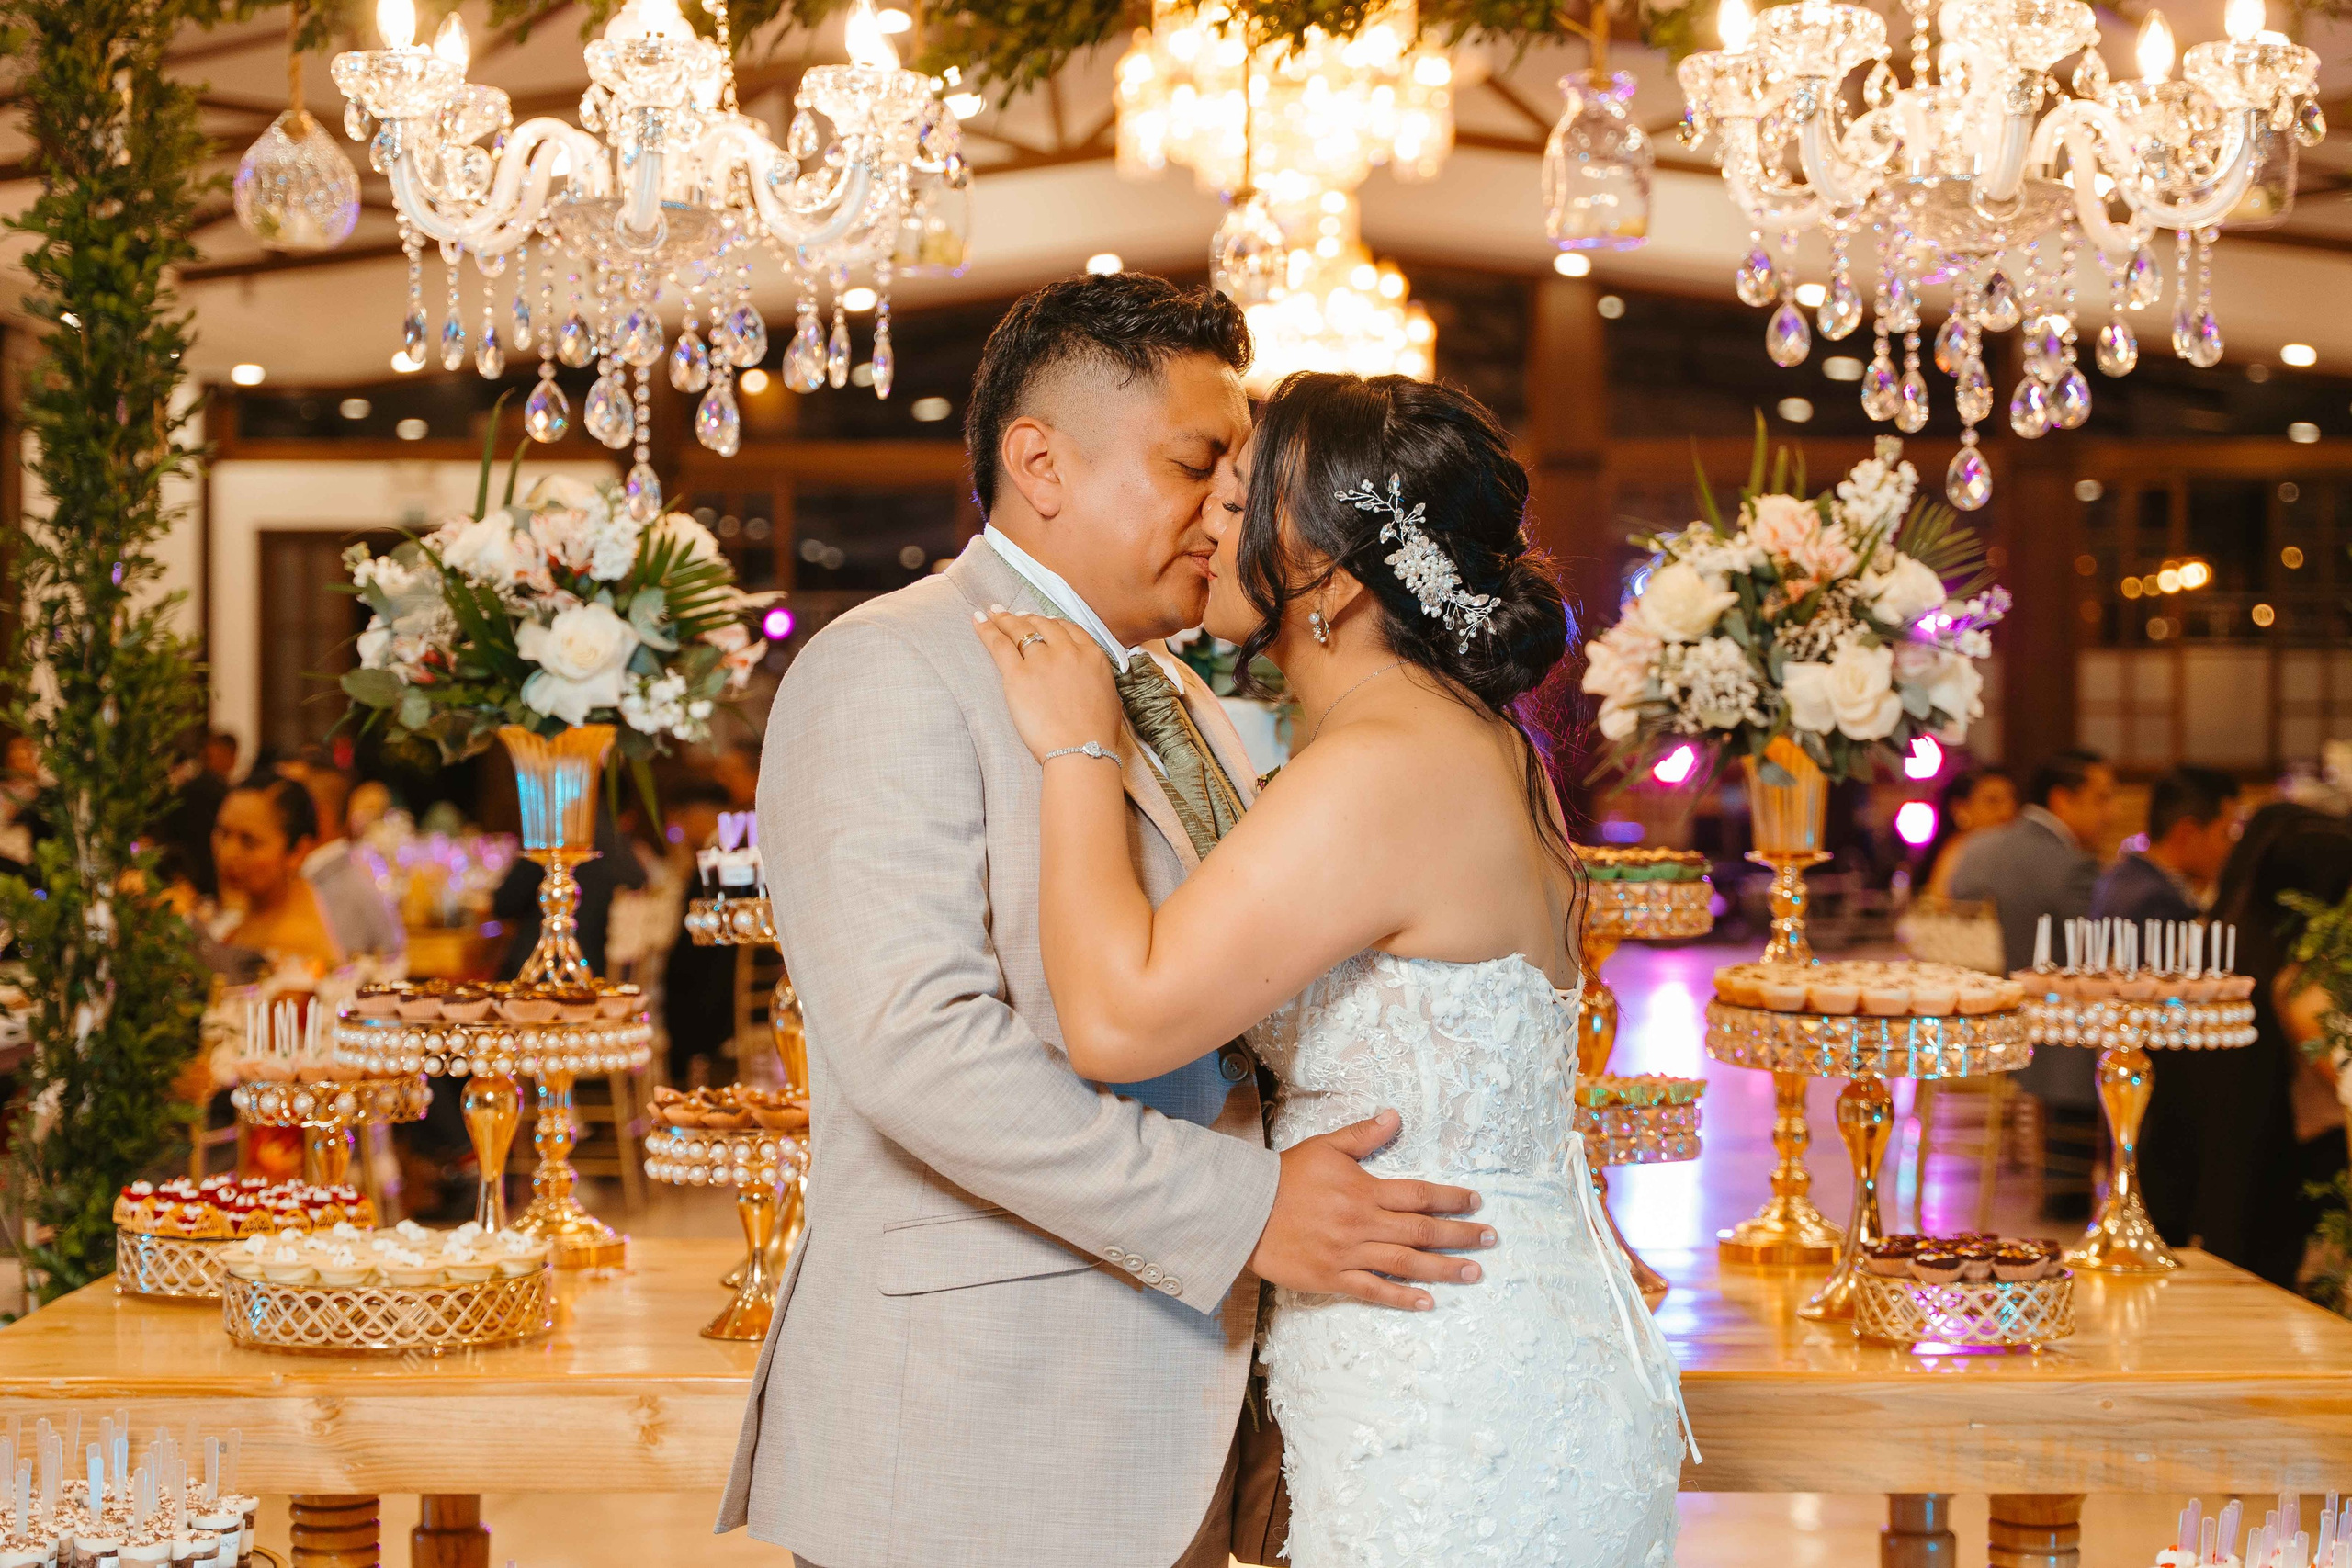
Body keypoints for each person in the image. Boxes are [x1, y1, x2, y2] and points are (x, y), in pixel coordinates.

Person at [720, 276, 1510, 1568]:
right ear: (1041, 462)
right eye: (1196, 465)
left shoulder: (1181, 695)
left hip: (1186, 1399)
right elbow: (918, 1049)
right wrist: (1244, 1209)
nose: (1226, 514)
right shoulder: (890, 664)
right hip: (982, 1427)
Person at [976, 368, 1688, 1566]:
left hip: (1443, 1385)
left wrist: (1078, 745)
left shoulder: (1382, 767)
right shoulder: (1466, 741)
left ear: (1335, 577)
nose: (1206, 515)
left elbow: (1115, 1016)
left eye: (1241, 496)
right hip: (1468, 1332)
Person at [2174, 804, 2352, 1284]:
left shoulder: (2227, 948)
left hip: (2234, 1180)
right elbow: (2343, 1077)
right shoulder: (2302, 985)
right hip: (2298, 1176)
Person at [1948, 748, 2117, 1218]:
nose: (2111, 812)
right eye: (2102, 798)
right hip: (2066, 1035)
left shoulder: (1984, 848)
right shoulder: (2072, 866)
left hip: (2003, 1021)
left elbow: (1954, 895)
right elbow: (2105, 951)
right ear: (2063, 800)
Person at [282, 750, 406, 964]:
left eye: (290, 810)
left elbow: (327, 981)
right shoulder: (330, 879)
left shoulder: (334, 890)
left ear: (321, 817)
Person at [209, 773, 337, 974]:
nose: (227, 854)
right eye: (223, 834)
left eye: (249, 841)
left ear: (297, 852)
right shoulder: (256, 911)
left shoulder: (294, 947)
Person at [1918, 765, 2017, 897]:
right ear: (1960, 809)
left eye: (2012, 799)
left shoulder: (2022, 851)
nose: (2007, 811)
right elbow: (1939, 905)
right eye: (1993, 801)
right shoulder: (1957, 853)